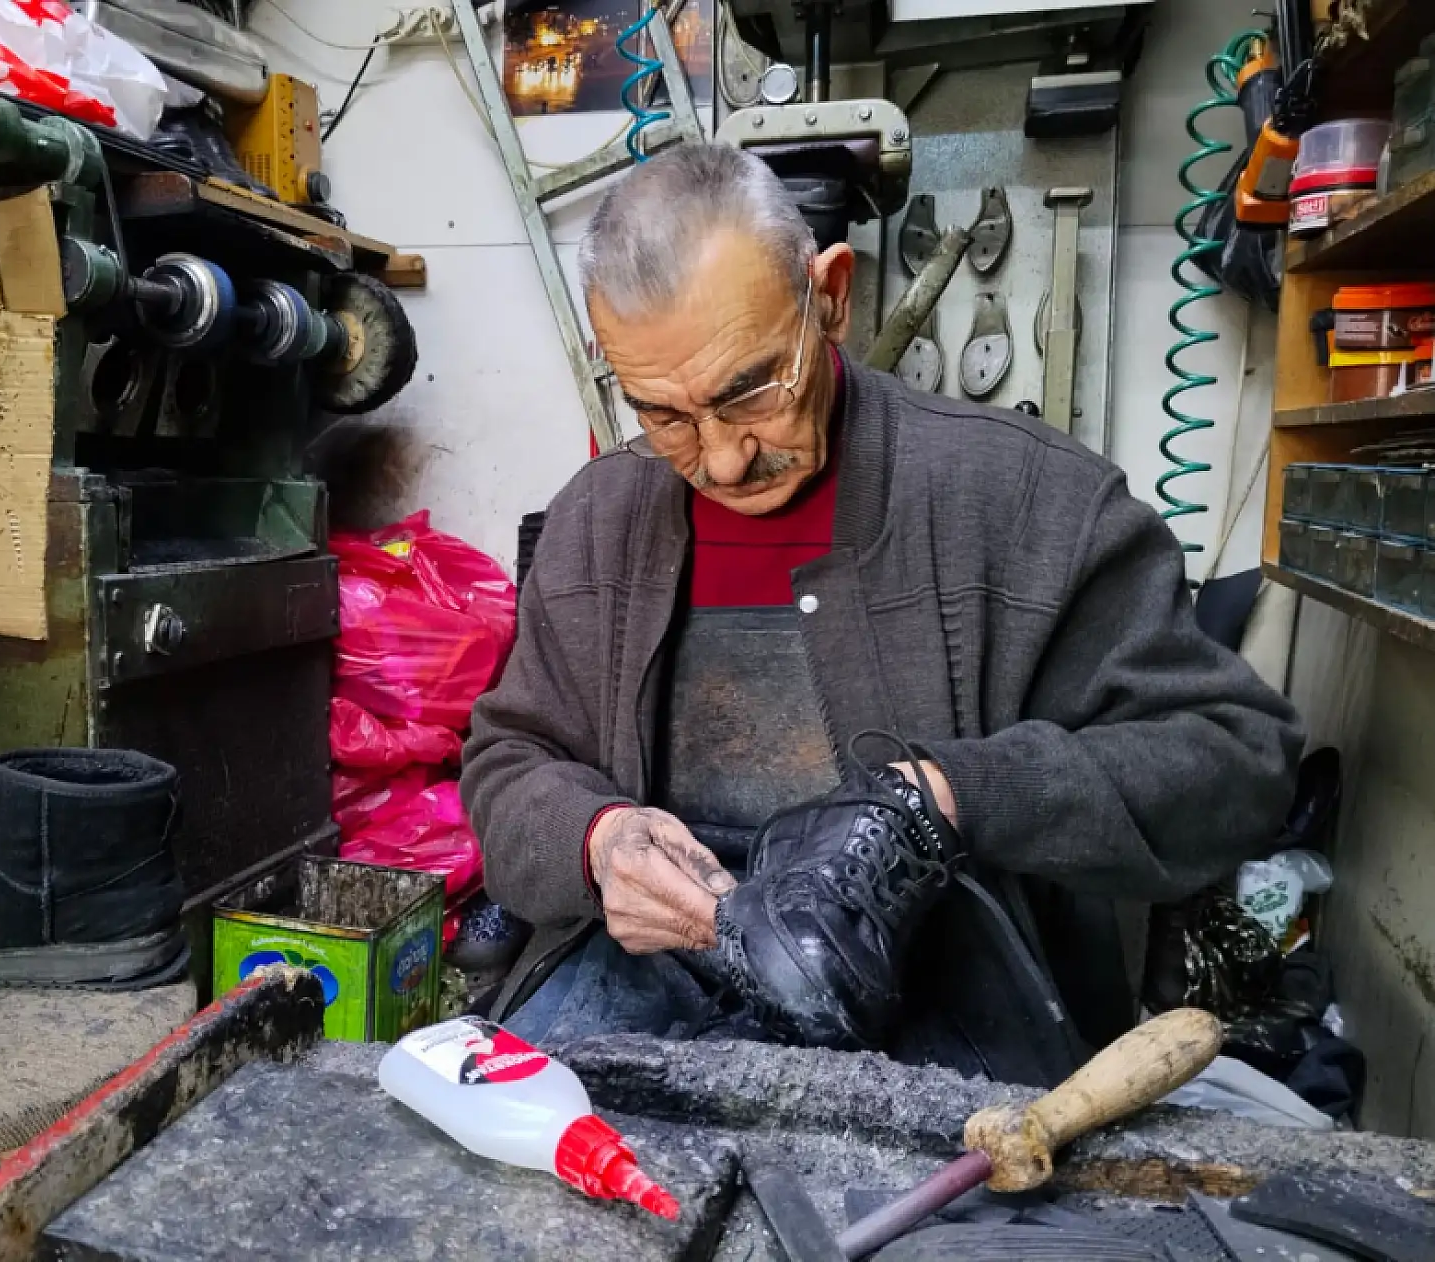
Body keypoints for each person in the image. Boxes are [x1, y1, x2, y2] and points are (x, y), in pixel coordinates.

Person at [460, 143, 1303, 1084]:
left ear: (830, 296)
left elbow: (1235, 760)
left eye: (751, 391)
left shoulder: (1027, 500)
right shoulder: (597, 520)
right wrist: (596, 839)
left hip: (940, 1007)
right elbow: (508, 757)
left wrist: (951, 799)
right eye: (664, 416)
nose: (723, 459)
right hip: (645, 987)